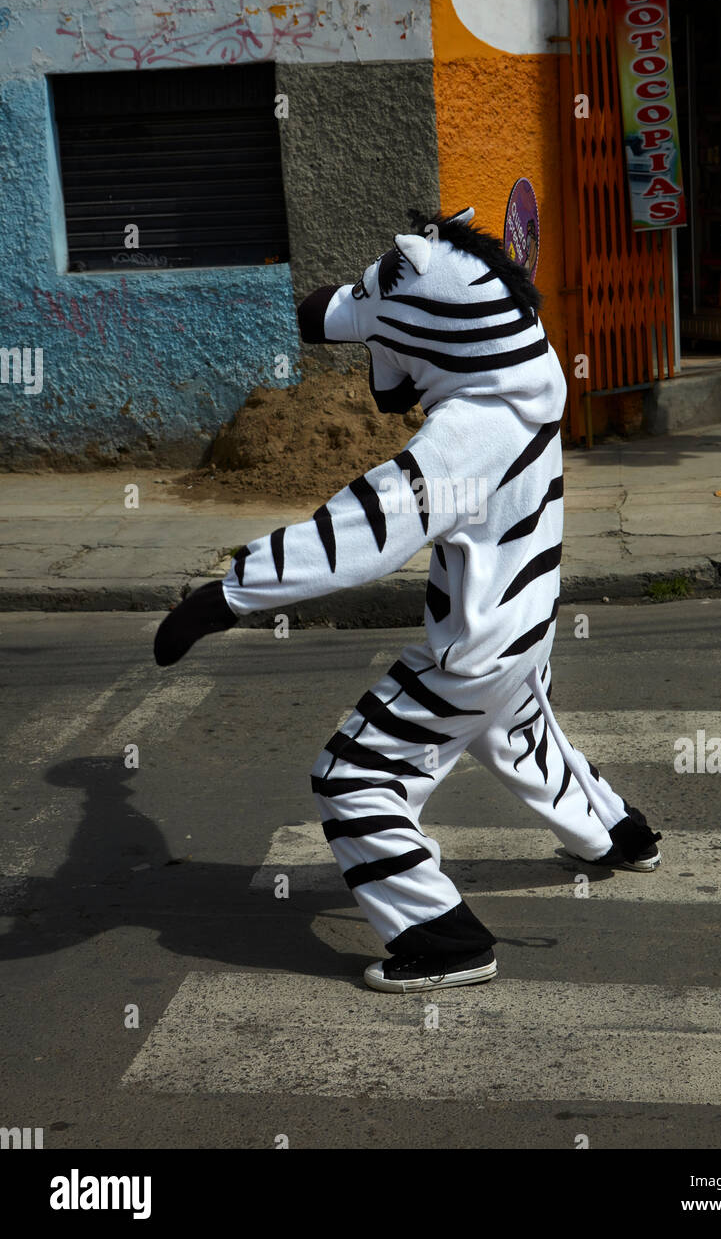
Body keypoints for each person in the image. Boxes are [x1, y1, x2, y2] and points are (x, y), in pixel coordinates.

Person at [154, 208, 661, 993]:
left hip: (477, 643)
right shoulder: (535, 371)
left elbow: (367, 530)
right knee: (519, 734)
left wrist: (225, 596)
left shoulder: (470, 433)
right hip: (525, 623)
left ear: (428, 327)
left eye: (377, 319)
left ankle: (442, 938)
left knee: (353, 778)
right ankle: (619, 836)